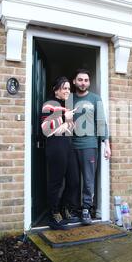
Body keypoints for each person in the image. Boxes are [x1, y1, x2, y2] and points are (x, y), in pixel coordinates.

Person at [69, 69, 111, 225]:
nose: (83, 83)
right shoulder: (69, 98)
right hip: (71, 146)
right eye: (80, 80)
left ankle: (86, 208)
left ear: (89, 82)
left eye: (86, 80)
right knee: (72, 180)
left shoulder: (95, 98)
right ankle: (73, 209)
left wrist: (106, 145)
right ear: (74, 81)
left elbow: (101, 122)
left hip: (89, 145)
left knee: (88, 179)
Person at [41, 76, 79, 230]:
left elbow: (66, 127)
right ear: (56, 90)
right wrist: (64, 117)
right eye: (64, 88)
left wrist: (71, 123)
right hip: (55, 145)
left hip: (67, 144)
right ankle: (54, 213)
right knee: (56, 182)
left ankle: (65, 208)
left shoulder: (66, 106)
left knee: (74, 180)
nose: (67, 91)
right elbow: (45, 128)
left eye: (69, 88)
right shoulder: (49, 104)